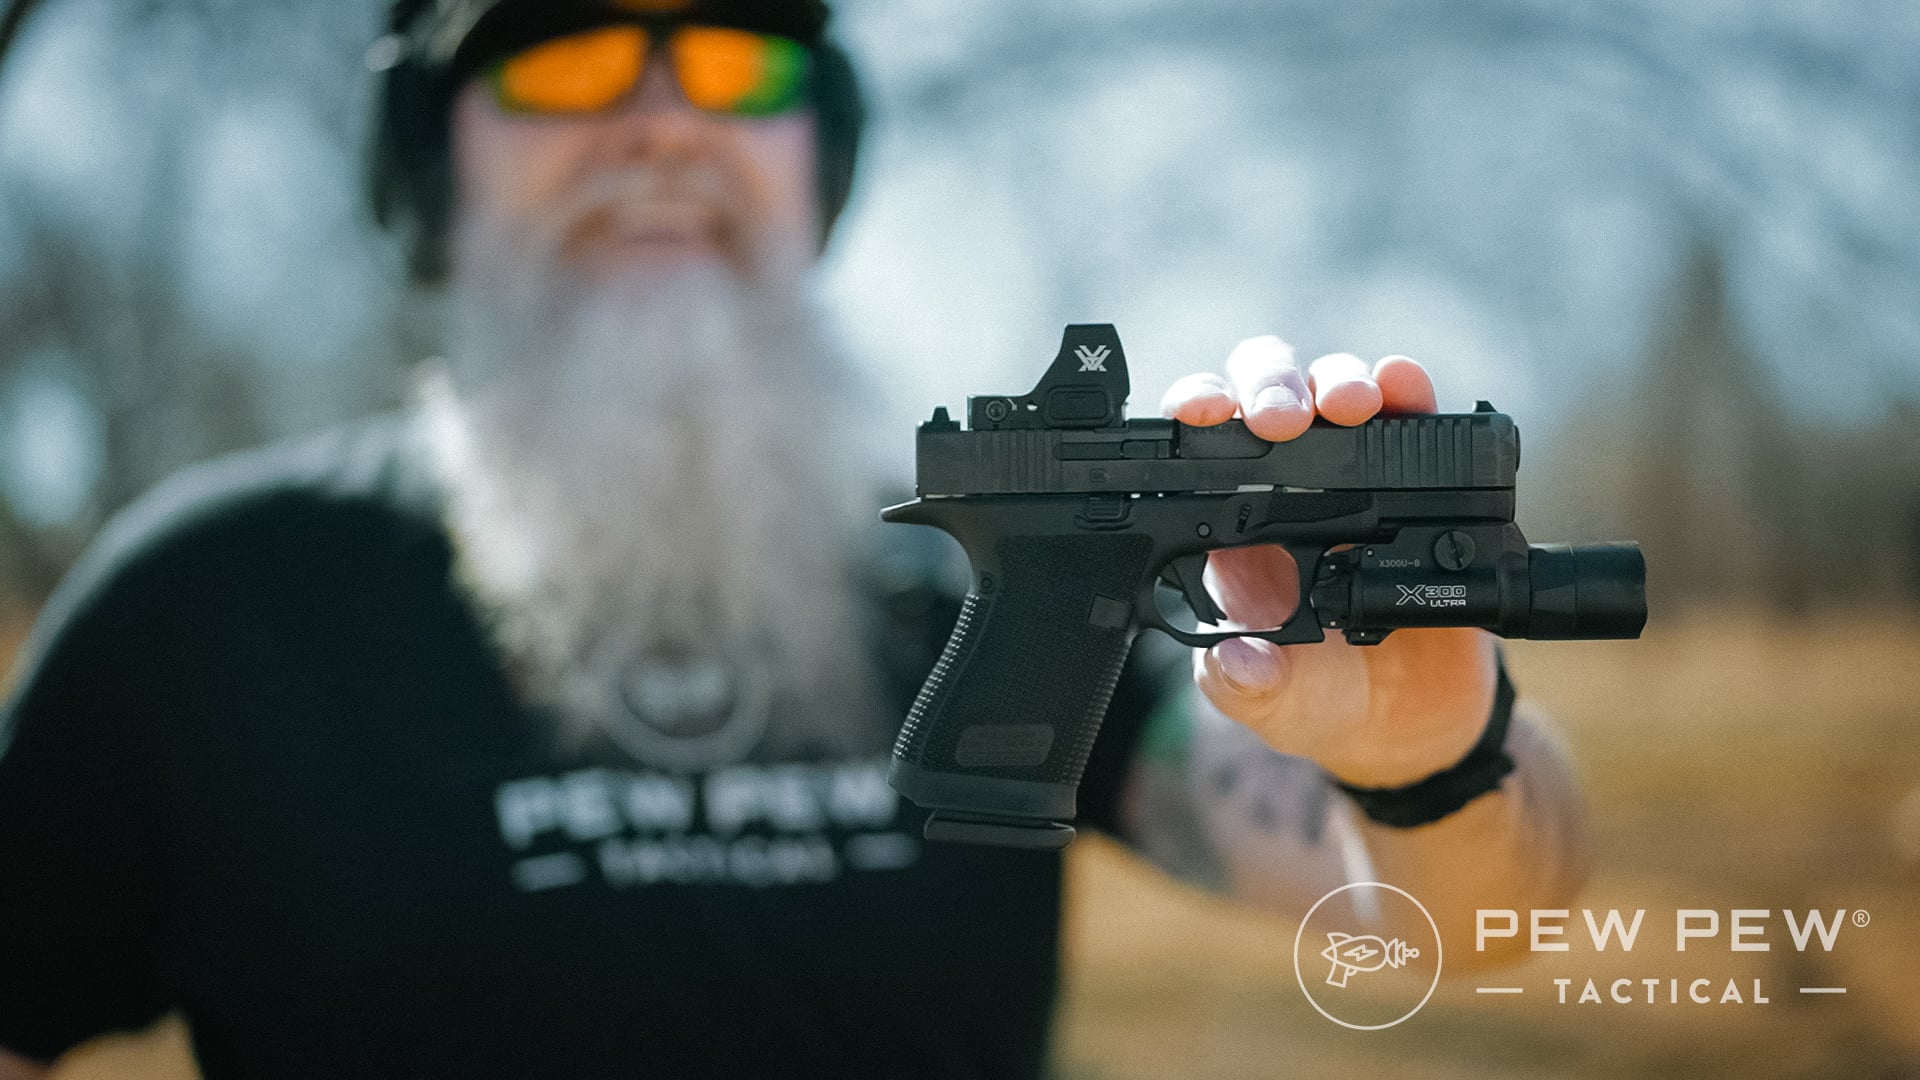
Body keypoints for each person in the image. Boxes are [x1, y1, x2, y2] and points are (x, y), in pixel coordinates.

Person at [0, 0, 1587, 1076]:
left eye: (738, 59)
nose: (664, 124)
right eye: (569, 54)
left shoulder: (1000, 579)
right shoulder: (200, 612)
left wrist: (1426, 754)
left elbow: (1490, 918)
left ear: (817, 152)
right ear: (430, 157)